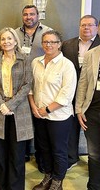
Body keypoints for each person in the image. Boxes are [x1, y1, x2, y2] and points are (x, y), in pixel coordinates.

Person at [29, 30, 77, 190]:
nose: (48, 45)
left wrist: (47, 110)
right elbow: (30, 88)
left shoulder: (67, 65)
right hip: (38, 114)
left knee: (58, 150)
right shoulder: (36, 62)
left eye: (52, 42)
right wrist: (34, 107)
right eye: (45, 42)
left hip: (59, 117)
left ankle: (57, 181)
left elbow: (66, 95)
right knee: (44, 149)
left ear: (59, 44)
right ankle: (48, 176)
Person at [0, 27, 33, 190]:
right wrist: (2, 104)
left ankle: (14, 187)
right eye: (3, 39)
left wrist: (10, 105)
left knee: (17, 153)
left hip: (18, 110)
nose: (6, 42)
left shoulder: (24, 59)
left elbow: (28, 84)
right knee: (0, 152)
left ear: (15, 41)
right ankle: (0, 185)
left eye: (9, 38)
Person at [15, 4, 53, 170]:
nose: (28, 17)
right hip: (19, 81)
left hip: (40, 80)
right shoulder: (15, 33)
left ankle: (40, 158)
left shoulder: (48, 32)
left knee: (39, 120)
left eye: (32, 14)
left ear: (38, 15)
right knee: (21, 117)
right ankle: (22, 153)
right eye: (25, 14)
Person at [61, 15, 100, 170]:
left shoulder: (98, 45)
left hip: (92, 95)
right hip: (70, 91)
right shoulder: (67, 44)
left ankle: (94, 164)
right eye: (83, 25)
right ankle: (71, 158)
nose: (86, 28)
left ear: (97, 28)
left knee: (92, 133)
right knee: (71, 126)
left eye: (90, 25)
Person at [75, 45, 100, 190]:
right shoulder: (91, 54)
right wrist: (79, 109)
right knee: (95, 154)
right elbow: (83, 82)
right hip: (92, 111)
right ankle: (94, 186)